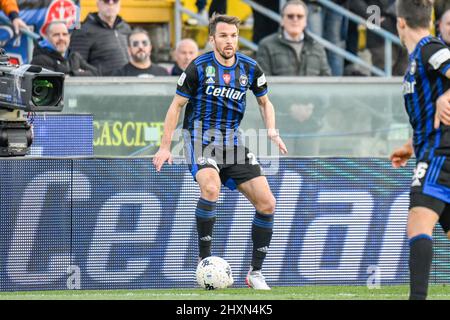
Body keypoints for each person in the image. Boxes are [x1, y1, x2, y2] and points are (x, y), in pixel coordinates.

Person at [153, 14, 288, 290]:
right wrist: (165, 146)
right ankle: (205, 264)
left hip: (232, 143)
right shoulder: (199, 67)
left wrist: (272, 130)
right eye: (224, 36)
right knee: (211, 188)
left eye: (234, 36)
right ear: (212, 39)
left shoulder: (250, 68)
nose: (229, 41)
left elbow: (265, 103)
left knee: (268, 204)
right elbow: (176, 106)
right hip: (199, 138)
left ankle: (256, 273)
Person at [390, 0, 450, 300]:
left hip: (442, 154)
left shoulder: (430, 48)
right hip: (430, 148)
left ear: (401, 22)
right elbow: (428, 115)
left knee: (417, 223)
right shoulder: (416, 58)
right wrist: (410, 146)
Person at [256, 0, 331, 76]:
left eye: (300, 16)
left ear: (305, 21)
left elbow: (327, 81)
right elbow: (262, 82)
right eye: (290, 16)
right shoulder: (266, 46)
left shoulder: (317, 47)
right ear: (282, 20)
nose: (295, 19)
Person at [69, 0, 131, 76]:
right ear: (98, 3)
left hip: (129, 83)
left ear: (119, 4)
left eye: (115, 0)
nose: (111, 3)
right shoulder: (84, 31)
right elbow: (76, 68)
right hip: (101, 85)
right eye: (106, 1)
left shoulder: (125, 28)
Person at [30, 21, 98, 76]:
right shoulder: (40, 60)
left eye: (64, 34)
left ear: (69, 37)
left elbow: (95, 73)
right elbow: (55, 83)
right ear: (47, 38)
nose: (61, 38)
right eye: (56, 35)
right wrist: (80, 73)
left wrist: (73, 74)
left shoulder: (74, 56)